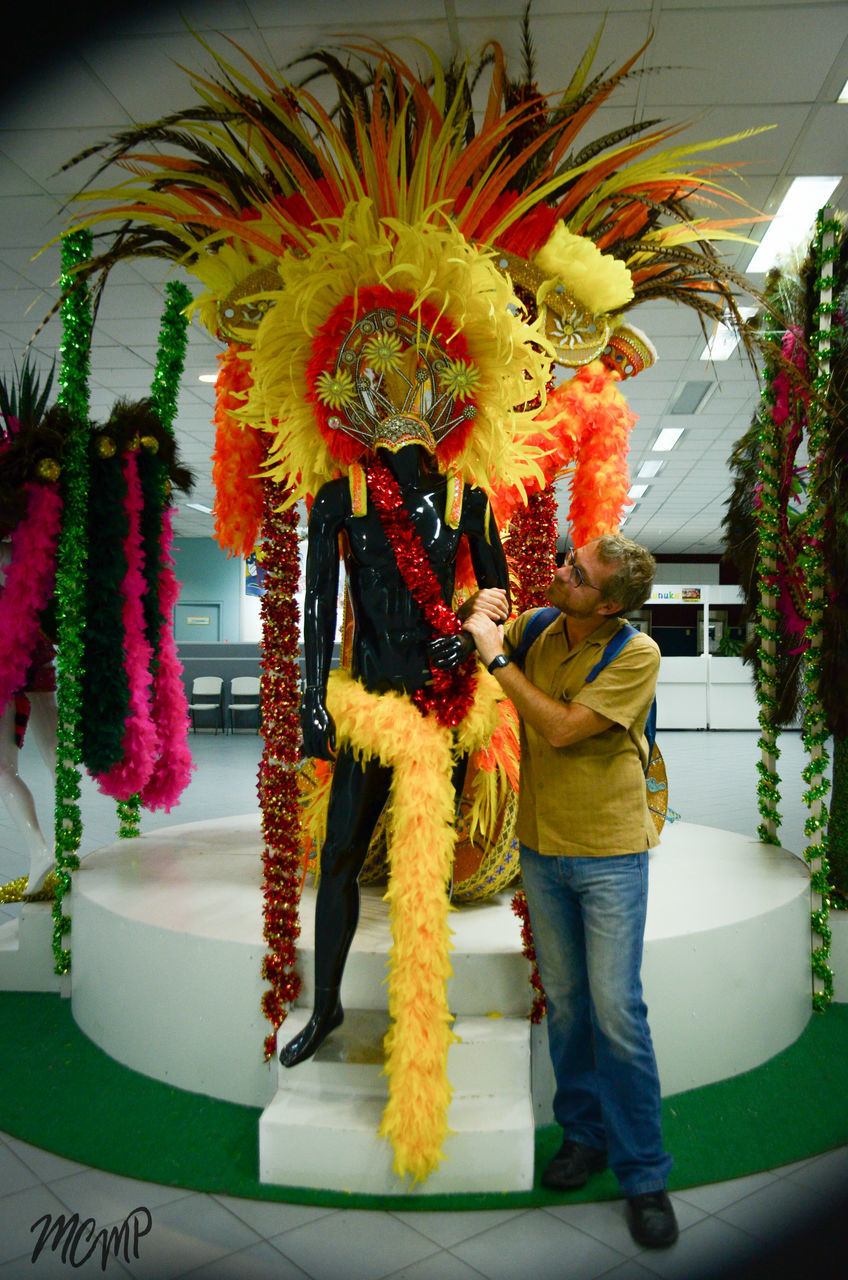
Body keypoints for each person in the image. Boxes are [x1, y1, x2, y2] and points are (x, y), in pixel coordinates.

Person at [461, 532, 678, 1250]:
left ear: (609, 603)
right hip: (542, 850)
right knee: (567, 1004)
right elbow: (484, 626)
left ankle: (644, 1173)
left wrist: (496, 656)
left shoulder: (635, 654)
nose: (560, 571)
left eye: (576, 573)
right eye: (566, 561)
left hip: (610, 854)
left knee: (617, 1012)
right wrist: (481, 605)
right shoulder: (543, 625)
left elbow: (557, 729)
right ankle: (583, 1138)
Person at [280, 421, 510, 1068]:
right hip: (371, 703)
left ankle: (424, 1018)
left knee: (429, 867)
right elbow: (318, 603)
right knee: (340, 855)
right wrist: (311, 702)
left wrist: (466, 636)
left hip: (444, 703)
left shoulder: (469, 499)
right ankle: (326, 1006)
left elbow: (503, 597)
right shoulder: (340, 498)